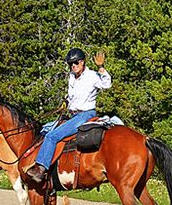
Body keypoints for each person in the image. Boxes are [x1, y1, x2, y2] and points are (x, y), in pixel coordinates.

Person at [26, 48, 112, 183]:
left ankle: (41, 169)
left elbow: (107, 84)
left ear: (83, 62)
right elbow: (72, 95)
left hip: (85, 115)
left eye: (76, 63)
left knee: (52, 136)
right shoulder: (72, 76)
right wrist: (66, 102)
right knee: (45, 129)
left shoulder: (92, 76)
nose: (73, 66)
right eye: (71, 64)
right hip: (73, 114)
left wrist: (101, 67)